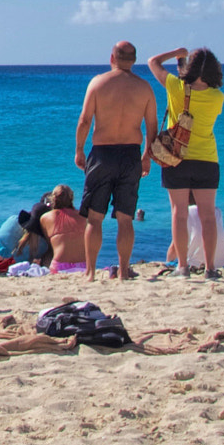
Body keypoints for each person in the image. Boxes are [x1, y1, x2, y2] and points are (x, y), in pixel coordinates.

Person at [73, 41, 159, 282]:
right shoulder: (144, 88)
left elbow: (84, 120)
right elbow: (151, 127)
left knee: (94, 218)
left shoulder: (98, 83)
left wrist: (79, 149)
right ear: (134, 60)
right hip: (130, 154)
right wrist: (146, 156)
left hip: (102, 153)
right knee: (125, 218)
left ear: (112, 57)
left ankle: (90, 273)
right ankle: (123, 271)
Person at [149, 47, 224, 277]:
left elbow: (153, 61)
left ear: (189, 68)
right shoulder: (217, 96)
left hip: (177, 159)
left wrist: (177, 53)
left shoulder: (176, 87)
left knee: (179, 213)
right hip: (207, 159)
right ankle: (210, 267)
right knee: (208, 215)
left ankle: (182, 267)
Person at [38, 186, 89, 274]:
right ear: (71, 198)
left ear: (53, 198)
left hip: (60, 266)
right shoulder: (84, 217)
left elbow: (49, 244)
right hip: (83, 265)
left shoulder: (46, 217)